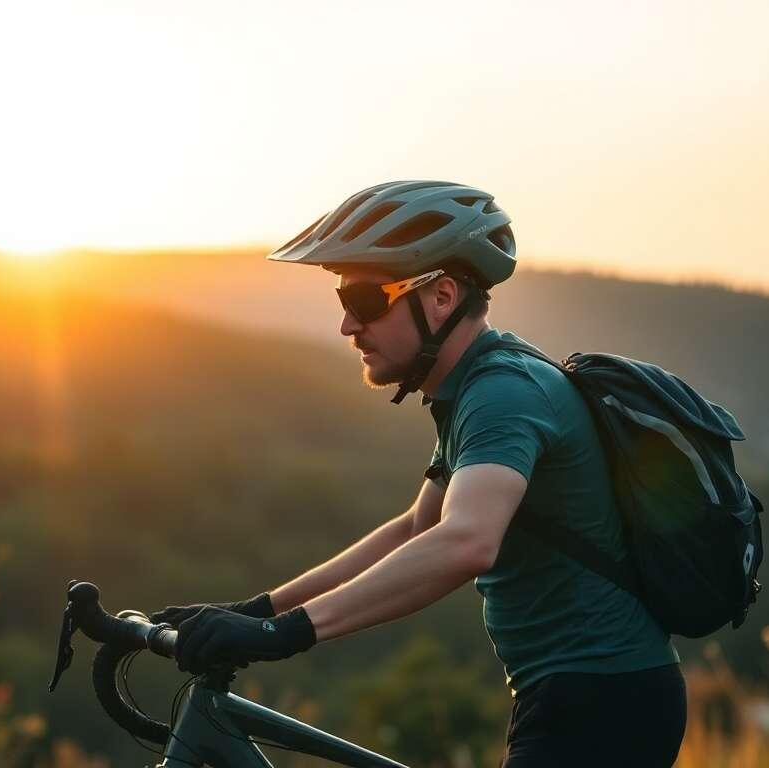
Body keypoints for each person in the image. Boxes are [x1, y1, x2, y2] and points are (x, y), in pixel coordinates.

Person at [154, 180, 687, 766]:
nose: (348, 326)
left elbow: (466, 542)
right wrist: (257, 612)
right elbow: (417, 529)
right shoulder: (472, 389)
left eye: (365, 300)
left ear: (441, 297)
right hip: (574, 695)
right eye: (343, 301)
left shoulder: (504, 393)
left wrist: (288, 634)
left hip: (605, 702)